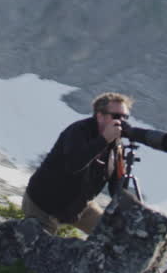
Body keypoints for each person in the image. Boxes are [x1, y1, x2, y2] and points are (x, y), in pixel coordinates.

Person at [22, 92, 136, 235]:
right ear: (99, 116)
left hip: (78, 205)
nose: (122, 122)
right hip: (44, 204)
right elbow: (74, 164)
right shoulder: (78, 131)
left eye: (125, 117)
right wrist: (104, 140)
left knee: (110, 234)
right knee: (38, 250)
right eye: (117, 116)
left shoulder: (116, 146)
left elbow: (117, 188)